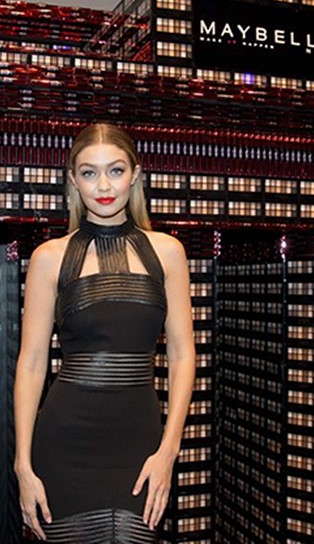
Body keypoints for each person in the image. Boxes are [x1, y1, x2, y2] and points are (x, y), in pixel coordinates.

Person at [13, 123, 196, 542]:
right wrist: (23, 465)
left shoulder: (168, 252)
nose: (103, 186)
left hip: (141, 447)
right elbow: (32, 363)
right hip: (64, 446)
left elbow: (183, 355)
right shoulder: (49, 257)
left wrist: (168, 451)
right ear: (73, 181)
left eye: (115, 170)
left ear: (135, 175)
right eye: (89, 173)